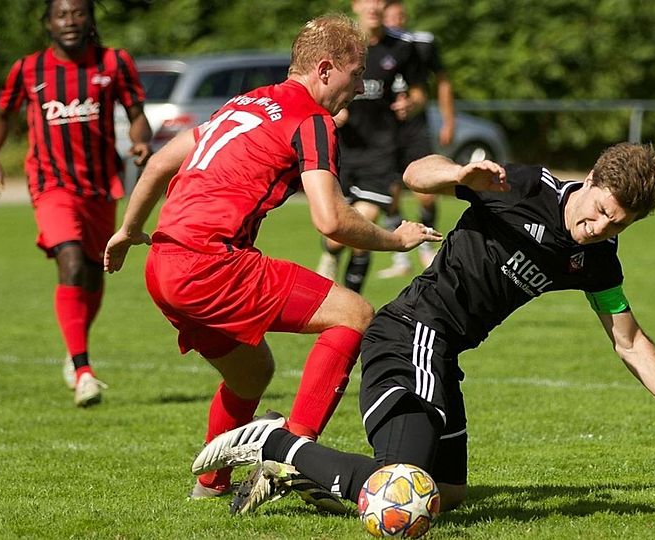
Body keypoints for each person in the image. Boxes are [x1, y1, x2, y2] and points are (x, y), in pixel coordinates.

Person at [193, 143, 655, 516]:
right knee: (402, 486)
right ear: (591, 180)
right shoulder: (524, 187)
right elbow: (416, 173)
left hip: (445, 354)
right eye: (601, 210)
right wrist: (458, 175)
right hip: (411, 333)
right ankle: (274, 440)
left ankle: (298, 472)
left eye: (617, 224)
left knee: (449, 495)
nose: (598, 227)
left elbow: (628, 339)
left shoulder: (597, 257)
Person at [102, 13, 440, 500]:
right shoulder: (313, 120)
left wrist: (128, 231)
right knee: (354, 314)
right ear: (325, 69)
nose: (360, 85)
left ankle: (210, 485)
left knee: (252, 374)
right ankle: (291, 458)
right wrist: (397, 239)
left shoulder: (248, 101)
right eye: (355, 73)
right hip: (211, 263)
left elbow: (158, 162)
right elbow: (331, 220)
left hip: (163, 264)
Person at [0, 0, 152, 407]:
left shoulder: (114, 63)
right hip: (51, 184)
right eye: (61, 14)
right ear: (48, 22)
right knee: (70, 260)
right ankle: (83, 369)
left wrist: (141, 141)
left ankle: (75, 351)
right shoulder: (28, 69)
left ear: (90, 19)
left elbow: (136, 113)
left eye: (78, 13)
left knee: (93, 273)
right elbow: (1, 114)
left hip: (99, 186)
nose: (70, 21)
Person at [315, 0, 428, 293]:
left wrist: (411, 104)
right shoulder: (338, 44)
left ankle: (349, 300)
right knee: (336, 235)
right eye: (368, 0)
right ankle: (330, 254)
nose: (374, 6)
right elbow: (315, 88)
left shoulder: (403, 47)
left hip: (381, 150)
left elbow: (419, 94)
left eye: (380, 1)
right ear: (355, 5)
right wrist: (330, 112)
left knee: (364, 223)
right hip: (340, 150)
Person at [378, 0, 456, 278]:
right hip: (385, 132)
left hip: (415, 129)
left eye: (400, 15)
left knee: (426, 194)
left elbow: (441, 81)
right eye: (390, 16)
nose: (396, 20)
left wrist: (449, 121)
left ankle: (427, 246)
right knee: (389, 194)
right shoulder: (372, 47)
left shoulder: (421, 44)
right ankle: (400, 256)